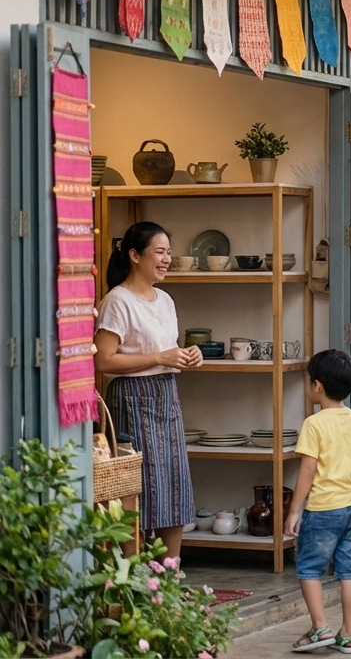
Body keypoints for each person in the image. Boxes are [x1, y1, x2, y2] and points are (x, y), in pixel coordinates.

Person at [94, 222, 199, 561]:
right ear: (135, 255)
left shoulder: (165, 299)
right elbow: (104, 361)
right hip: (132, 398)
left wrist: (187, 355)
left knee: (174, 485)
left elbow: (167, 350)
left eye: (169, 251)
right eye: (160, 252)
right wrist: (159, 357)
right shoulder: (117, 301)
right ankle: (133, 574)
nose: (167, 258)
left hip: (167, 395)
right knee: (134, 486)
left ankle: (169, 572)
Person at [287, 350, 351, 653]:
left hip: (323, 509)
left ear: (316, 385)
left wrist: (294, 511)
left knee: (309, 568)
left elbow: (308, 469)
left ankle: (320, 628)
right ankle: (349, 634)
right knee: (349, 571)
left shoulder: (314, 424)